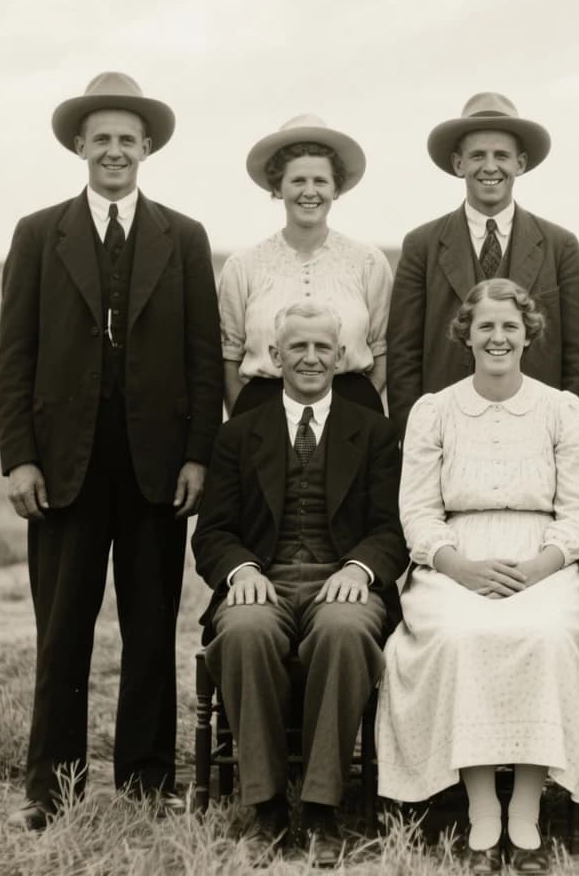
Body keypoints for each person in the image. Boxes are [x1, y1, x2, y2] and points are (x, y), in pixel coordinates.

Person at [0, 72, 222, 829]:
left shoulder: (184, 238)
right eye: (102, 139)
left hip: (157, 465)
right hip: (65, 465)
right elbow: (16, 355)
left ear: (147, 147)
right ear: (80, 148)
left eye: (129, 139)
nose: (115, 151)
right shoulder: (37, 233)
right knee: (63, 628)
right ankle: (50, 791)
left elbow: (201, 357)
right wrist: (19, 458)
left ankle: (148, 784)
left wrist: (197, 455)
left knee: (152, 626)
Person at [378, 279, 579, 875]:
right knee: (462, 636)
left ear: (528, 334)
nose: (498, 337)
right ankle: (484, 810)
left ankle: (529, 812)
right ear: (466, 334)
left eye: (510, 326)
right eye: (485, 326)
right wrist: (457, 565)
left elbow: (578, 511)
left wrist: (540, 566)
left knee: (542, 635)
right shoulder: (434, 410)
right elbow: (417, 509)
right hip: (455, 559)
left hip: (545, 561)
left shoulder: (561, 408)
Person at [192, 302, 406, 865]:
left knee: (345, 631)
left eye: (322, 348)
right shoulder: (239, 435)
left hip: (344, 583)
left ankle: (320, 808)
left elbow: (391, 529)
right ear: (275, 356)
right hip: (265, 579)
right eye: (298, 348)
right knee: (241, 631)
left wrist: (360, 569)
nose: (310, 358)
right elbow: (212, 532)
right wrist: (241, 571)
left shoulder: (376, 434)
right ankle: (265, 808)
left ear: (340, 357)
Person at [386, 92, 579, 434]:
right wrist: (416, 434)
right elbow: (403, 358)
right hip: (446, 431)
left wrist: (569, 431)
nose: (490, 167)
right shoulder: (421, 245)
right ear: (458, 164)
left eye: (502, 156)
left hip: (536, 429)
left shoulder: (560, 245)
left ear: (521, 163)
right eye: (477, 156)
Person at [219, 114, 392, 416]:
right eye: (298, 180)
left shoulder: (368, 262)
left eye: (320, 181)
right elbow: (229, 356)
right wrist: (246, 424)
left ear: (336, 189)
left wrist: (359, 419)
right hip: (262, 417)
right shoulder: (242, 266)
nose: (309, 192)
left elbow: (382, 350)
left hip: (351, 416)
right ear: (277, 188)